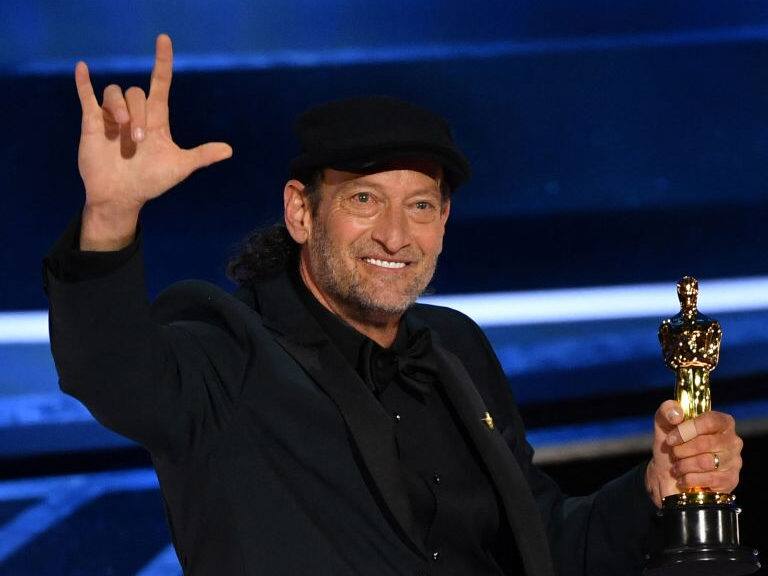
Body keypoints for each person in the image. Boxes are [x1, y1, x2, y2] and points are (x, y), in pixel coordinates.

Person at [43, 34, 744, 576]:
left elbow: (543, 543)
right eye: (363, 200)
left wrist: (654, 488)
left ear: (443, 221)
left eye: (419, 205)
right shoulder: (227, 348)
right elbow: (108, 369)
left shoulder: (457, 349)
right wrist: (110, 215)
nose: (395, 234)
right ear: (300, 213)